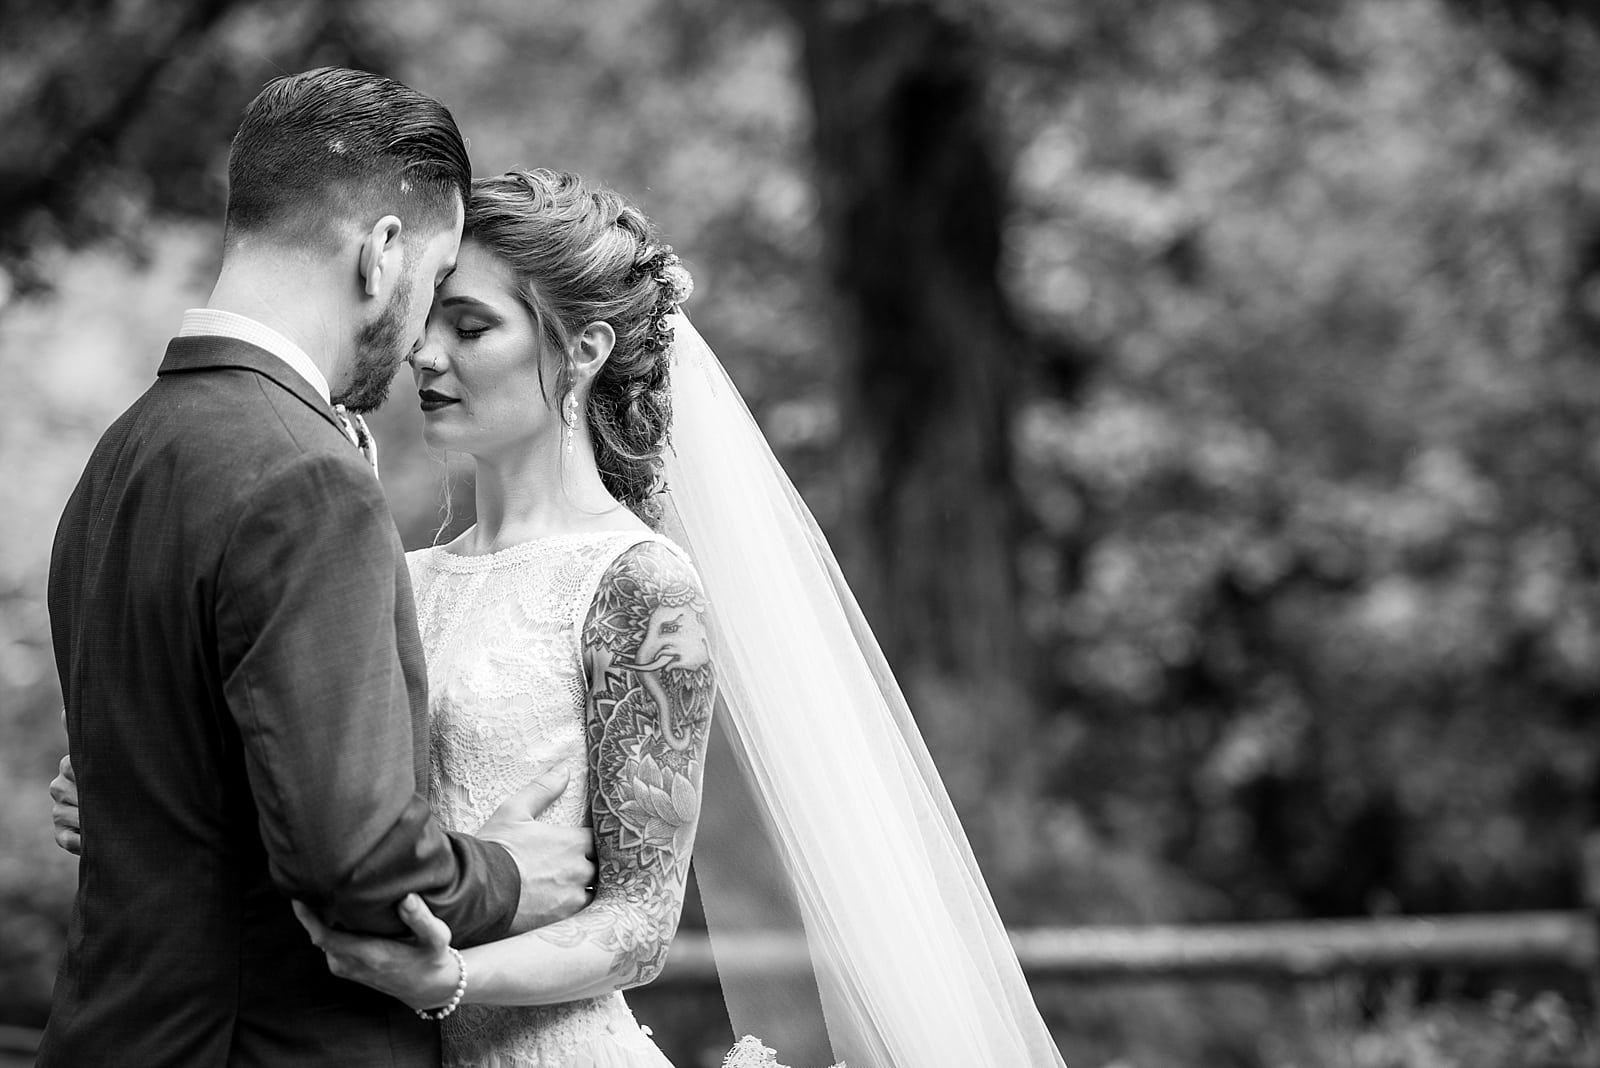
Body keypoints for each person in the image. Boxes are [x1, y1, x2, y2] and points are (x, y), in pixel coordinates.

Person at [55, 166, 1069, 1066]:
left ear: (581, 350)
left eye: (473, 327)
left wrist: (452, 983)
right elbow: (310, 804)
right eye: (432, 320)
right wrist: (131, 788)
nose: (425, 356)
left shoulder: (639, 586)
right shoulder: (396, 571)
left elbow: (639, 922)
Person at [40, 72, 594, 1068]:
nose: (424, 335)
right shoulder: (306, 478)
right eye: (432, 283)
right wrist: (515, 874)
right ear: (382, 255)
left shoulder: (124, 454)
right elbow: (357, 864)